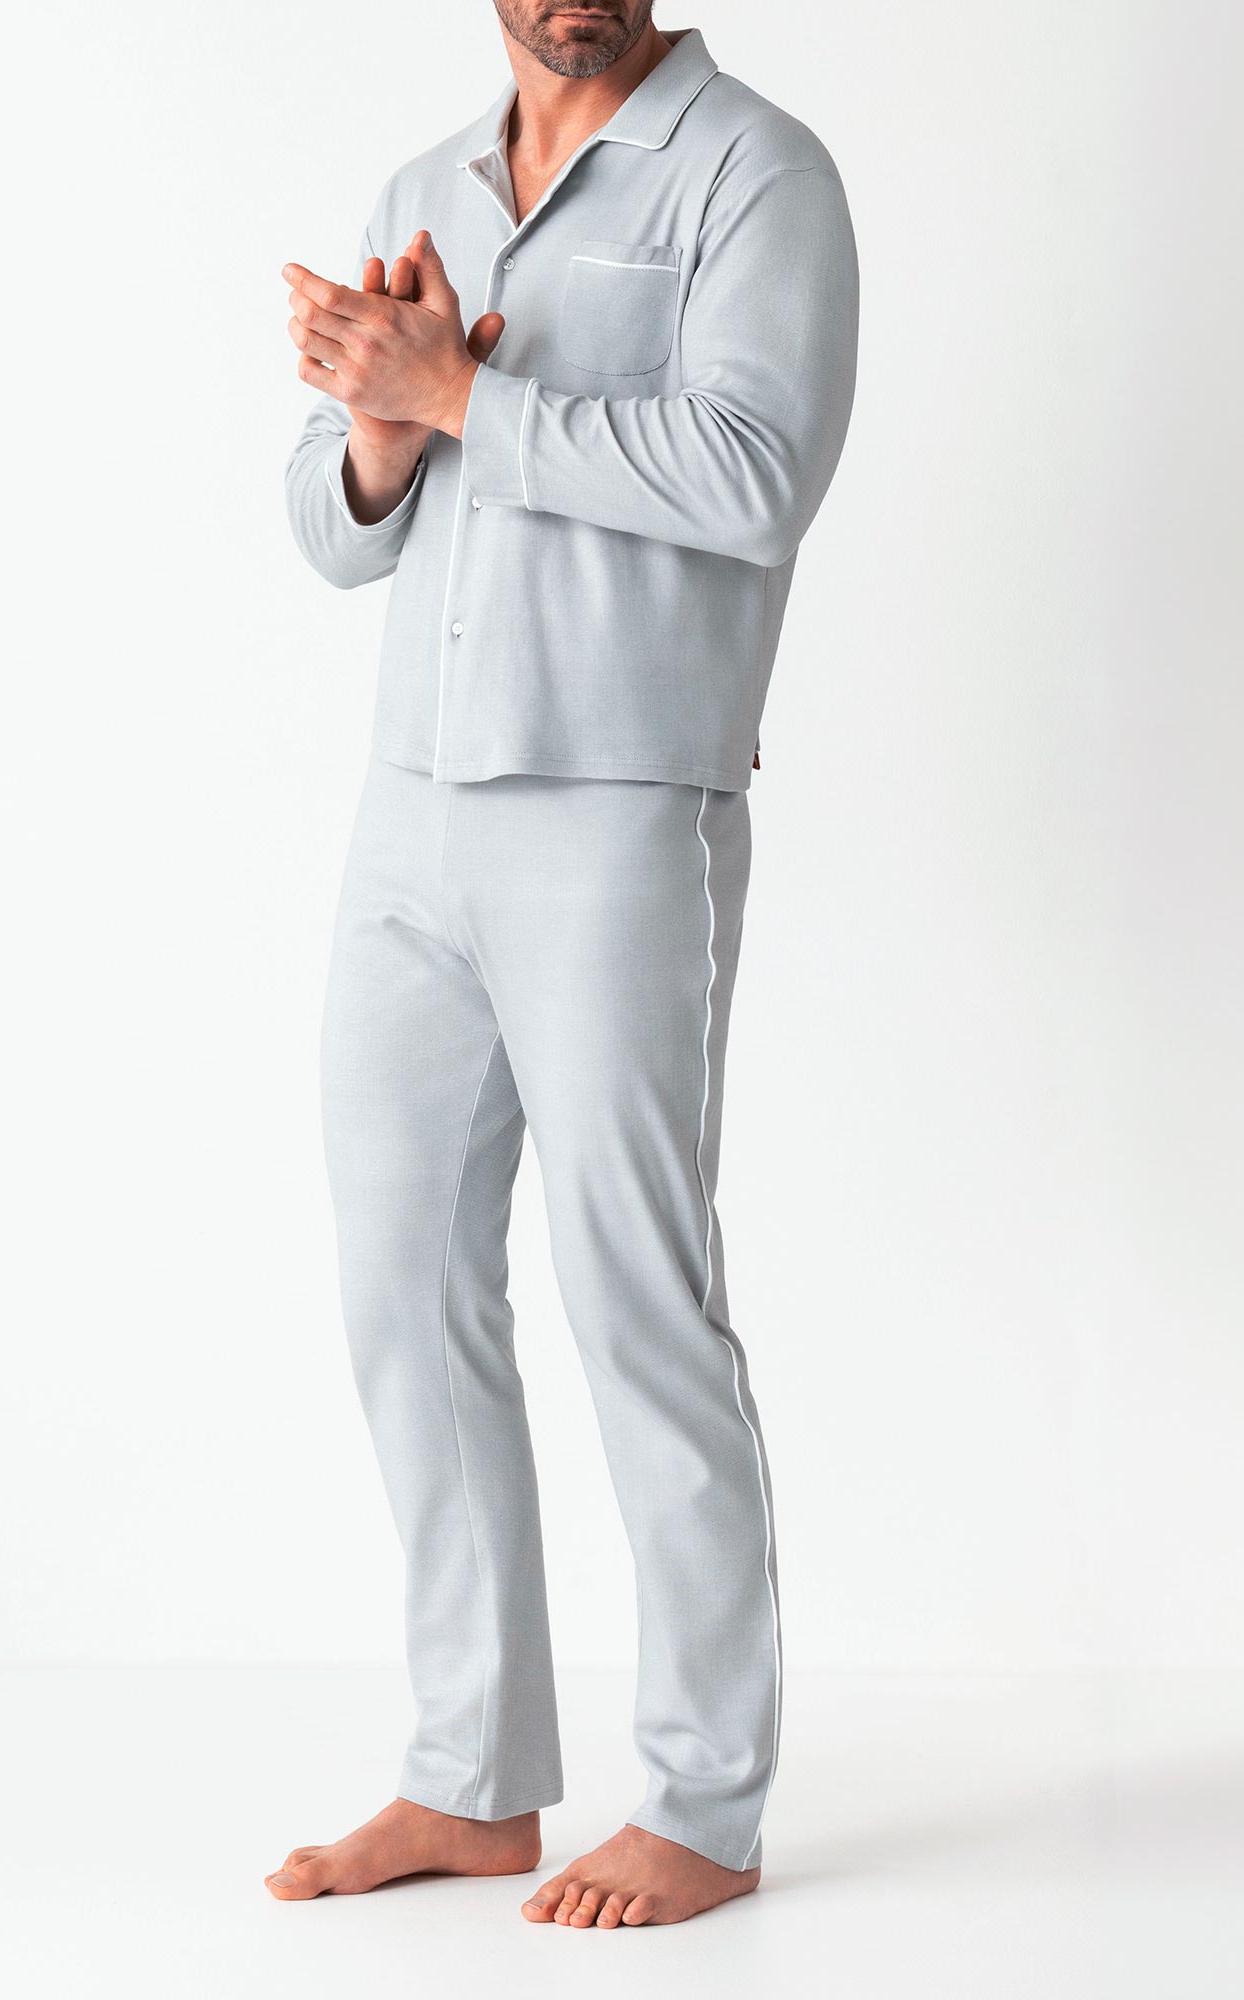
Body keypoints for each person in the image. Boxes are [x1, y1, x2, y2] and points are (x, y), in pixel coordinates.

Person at [271, 1, 858, 1929]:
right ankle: (470, 1776)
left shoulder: (759, 176)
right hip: (410, 808)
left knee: (637, 1297)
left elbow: (755, 475)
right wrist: (378, 433)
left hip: (618, 802)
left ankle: (705, 1801)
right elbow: (337, 532)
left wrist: (463, 396)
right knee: (400, 1281)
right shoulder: (422, 186)